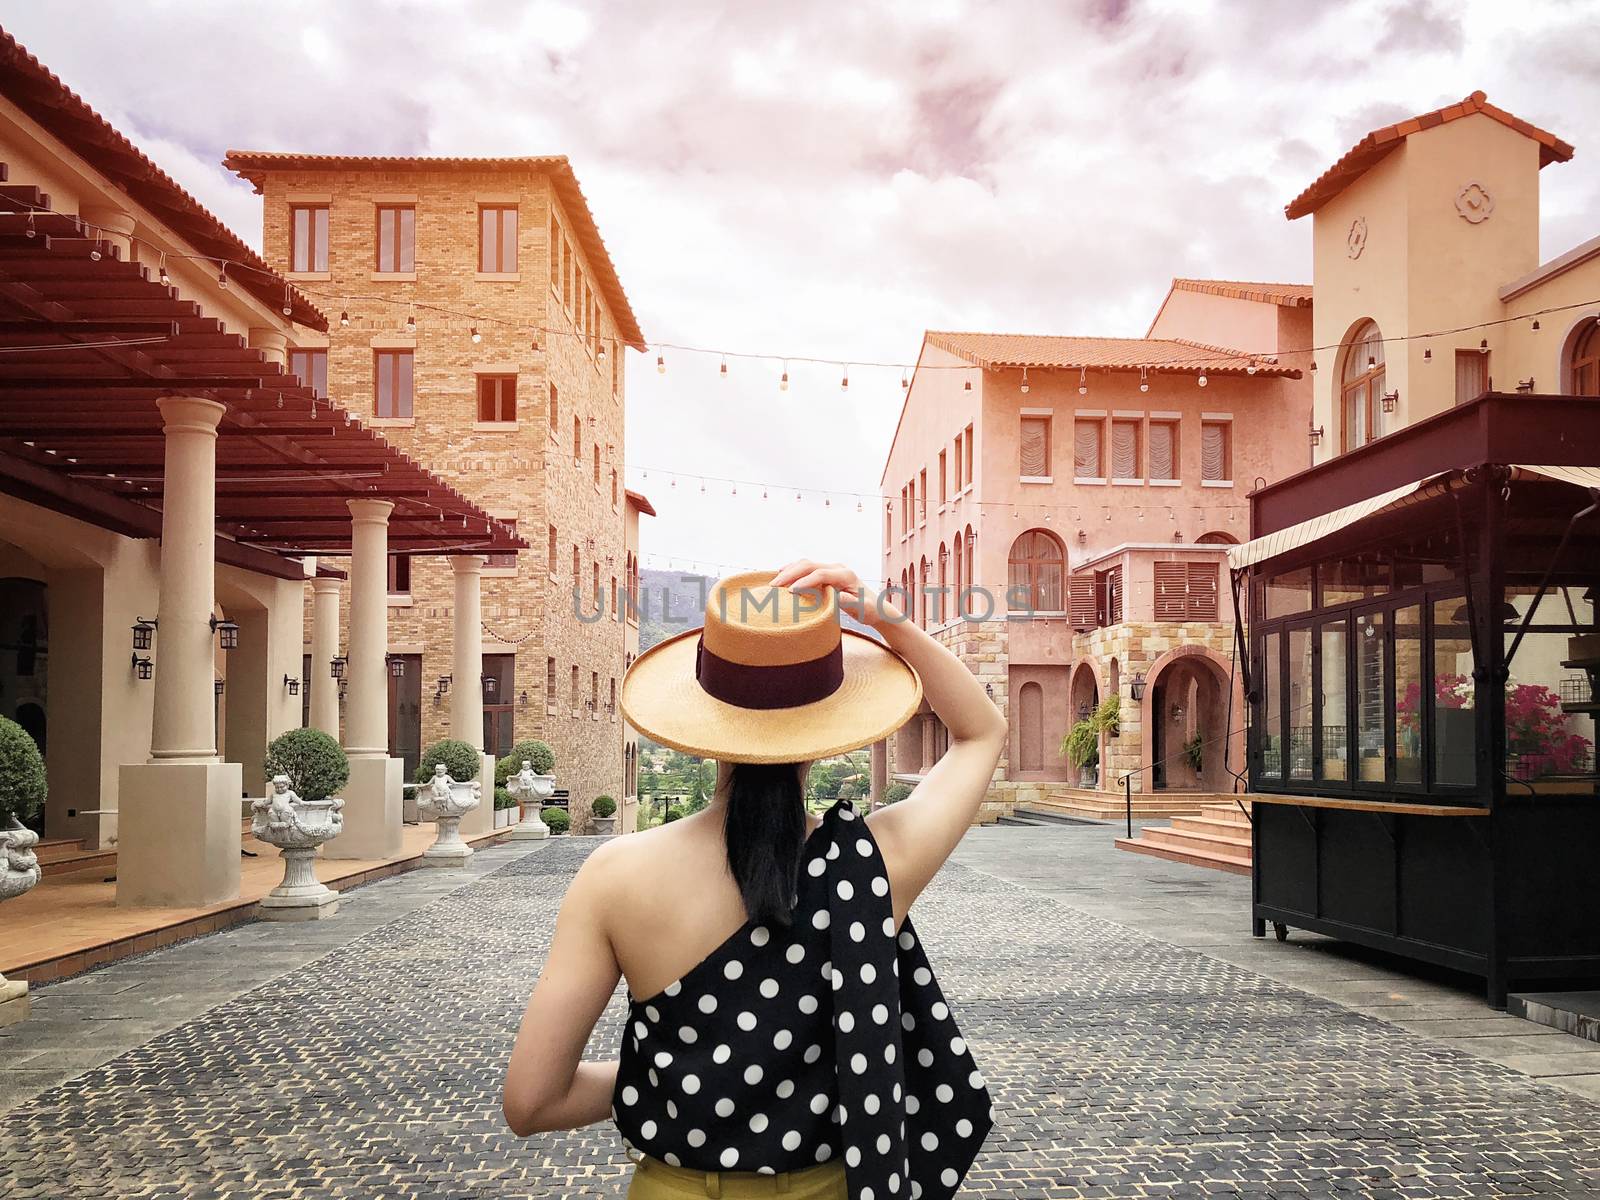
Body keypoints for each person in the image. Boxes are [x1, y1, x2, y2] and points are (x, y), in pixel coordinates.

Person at [503, 561, 1007, 1200]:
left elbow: (531, 1103)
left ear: (704, 714)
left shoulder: (615, 875)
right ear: (831, 721)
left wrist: (684, 1077)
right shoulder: (873, 862)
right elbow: (982, 732)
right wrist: (886, 620)